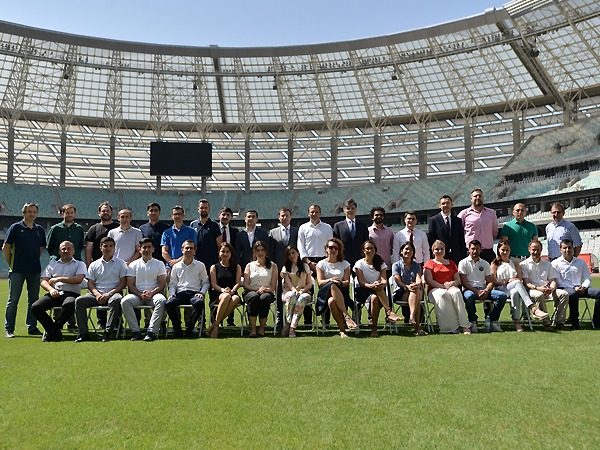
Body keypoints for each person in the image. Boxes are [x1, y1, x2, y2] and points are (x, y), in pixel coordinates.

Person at [3, 202, 46, 338]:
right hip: (17, 270)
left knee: (33, 301)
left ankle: (32, 327)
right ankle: (9, 329)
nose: (32, 214)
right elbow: (6, 247)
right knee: (13, 300)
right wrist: (11, 263)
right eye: (29, 212)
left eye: (34, 212)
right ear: (24, 213)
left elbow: (40, 249)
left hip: (34, 270)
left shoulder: (39, 229)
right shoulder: (15, 227)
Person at [74, 236, 128, 342]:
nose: (108, 248)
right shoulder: (94, 264)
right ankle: (83, 333)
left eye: (111, 246)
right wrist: (97, 294)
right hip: (96, 294)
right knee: (79, 301)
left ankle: (108, 332)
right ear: (100, 248)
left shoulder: (121, 263)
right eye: (105, 246)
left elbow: (123, 283)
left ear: (114, 248)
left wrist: (109, 294)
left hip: (113, 293)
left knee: (117, 300)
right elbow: (90, 283)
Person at [31, 241, 87, 341]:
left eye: (69, 249)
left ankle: (53, 332)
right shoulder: (52, 265)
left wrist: (59, 279)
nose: (66, 251)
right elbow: (44, 281)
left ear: (73, 251)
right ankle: (55, 332)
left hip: (71, 294)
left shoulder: (79, 264)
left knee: (69, 304)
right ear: (59, 252)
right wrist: (51, 289)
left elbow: (78, 279)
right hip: (55, 293)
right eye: (63, 249)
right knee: (36, 307)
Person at [491, 241, 549, 332]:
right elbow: (493, 281)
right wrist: (504, 281)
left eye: (507, 250)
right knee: (517, 284)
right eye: (503, 250)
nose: (505, 252)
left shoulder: (515, 263)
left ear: (510, 250)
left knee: (515, 291)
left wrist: (512, 280)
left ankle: (517, 322)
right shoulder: (495, 263)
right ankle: (532, 308)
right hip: (501, 289)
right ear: (498, 250)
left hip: (513, 288)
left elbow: (520, 278)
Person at [46, 203, 85, 329]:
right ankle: (57, 322)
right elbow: (49, 246)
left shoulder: (79, 229)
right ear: (62, 214)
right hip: (58, 263)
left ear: (74, 214)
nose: (69, 214)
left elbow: (79, 246)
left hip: (74, 264)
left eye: (71, 212)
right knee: (58, 291)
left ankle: (71, 322)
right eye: (67, 212)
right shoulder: (55, 228)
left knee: (72, 293)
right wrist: (59, 258)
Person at [121, 238, 167, 341]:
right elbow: (130, 284)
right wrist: (140, 294)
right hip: (138, 295)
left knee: (161, 300)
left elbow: (162, 284)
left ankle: (151, 332)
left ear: (153, 249)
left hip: (154, 294)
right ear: (140, 249)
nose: (147, 249)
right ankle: (136, 331)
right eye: (144, 247)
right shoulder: (133, 265)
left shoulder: (159, 264)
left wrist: (151, 293)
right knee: (125, 301)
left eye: (149, 247)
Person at [458, 240, 507, 333]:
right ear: (468, 249)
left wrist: (487, 290)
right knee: (469, 297)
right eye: (472, 249)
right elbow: (464, 283)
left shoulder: (485, 263)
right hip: (469, 289)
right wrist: (477, 292)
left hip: (483, 289)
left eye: (477, 249)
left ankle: (492, 320)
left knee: (502, 296)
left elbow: (490, 281)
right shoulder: (463, 263)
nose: (475, 251)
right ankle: (473, 321)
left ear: (481, 250)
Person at [354, 240, 401, 337]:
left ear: (375, 250)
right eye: (367, 248)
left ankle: (374, 328)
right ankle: (389, 312)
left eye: (372, 248)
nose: (370, 250)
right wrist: (372, 285)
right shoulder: (359, 264)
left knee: (375, 295)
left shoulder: (380, 263)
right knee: (375, 293)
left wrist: (380, 283)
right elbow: (361, 282)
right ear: (363, 251)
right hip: (364, 290)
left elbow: (384, 280)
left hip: (378, 290)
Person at [423, 240, 471, 334]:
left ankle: (464, 325)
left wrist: (452, 283)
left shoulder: (451, 263)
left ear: (445, 250)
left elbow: (458, 279)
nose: (439, 251)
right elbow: (429, 280)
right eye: (437, 249)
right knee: (443, 294)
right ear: (433, 251)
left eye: (442, 249)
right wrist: (442, 286)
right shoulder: (429, 264)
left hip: (450, 286)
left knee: (456, 293)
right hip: (435, 289)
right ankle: (451, 327)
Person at [165, 240, 210, 339]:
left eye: (191, 248)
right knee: (169, 304)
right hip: (180, 294)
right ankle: (177, 329)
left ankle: (190, 329)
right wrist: (172, 294)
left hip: (194, 293)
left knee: (199, 303)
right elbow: (172, 284)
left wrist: (202, 293)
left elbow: (206, 282)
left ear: (195, 251)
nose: (189, 250)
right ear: (182, 250)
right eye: (187, 248)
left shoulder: (200, 265)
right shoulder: (176, 266)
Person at [552, 239, 600, 330]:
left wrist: (584, 286)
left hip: (581, 288)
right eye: (564, 248)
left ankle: (597, 321)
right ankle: (575, 322)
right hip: (564, 288)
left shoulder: (580, 262)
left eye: (569, 247)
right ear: (560, 250)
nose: (567, 250)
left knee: (599, 292)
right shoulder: (555, 263)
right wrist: (574, 287)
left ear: (573, 249)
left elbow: (587, 278)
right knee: (573, 294)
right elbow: (558, 281)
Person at [521, 240, 569, 331]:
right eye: (533, 250)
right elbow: (527, 283)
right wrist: (539, 288)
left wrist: (551, 288)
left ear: (541, 250)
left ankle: (560, 322)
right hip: (533, 290)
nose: (535, 252)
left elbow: (553, 280)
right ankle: (546, 323)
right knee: (539, 295)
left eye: (538, 250)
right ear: (529, 250)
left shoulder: (547, 264)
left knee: (564, 294)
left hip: (547, 289)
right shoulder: (524, 264)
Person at [85, 201, 118, 330]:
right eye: (103, 211)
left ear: (111, 212)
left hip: (114, 265)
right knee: (98, 290)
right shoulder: (94, 229)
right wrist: (89, 266)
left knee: (114, 293)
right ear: (99, 213)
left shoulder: (116, 228)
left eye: (107, 210)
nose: (105, 213)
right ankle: (101, 322)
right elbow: (88, 249)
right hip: (98, 265)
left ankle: (115, 322)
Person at [298, 204, 333, 326]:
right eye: (312, 212)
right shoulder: (303, 228)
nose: (314, 214)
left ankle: (326, 321)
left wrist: (325, 262)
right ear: (308, 213)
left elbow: (331, 245)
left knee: (326, 291)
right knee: (308, 292)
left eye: (316, 212)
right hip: (308, 262)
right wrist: (308, 262)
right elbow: (300, 246)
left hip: (324, 261)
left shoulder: (327, 228)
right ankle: (308, 321)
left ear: (320, 213)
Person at [315, 238, 357, 338]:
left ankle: (342, 330)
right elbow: (320, 282)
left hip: (342, 292)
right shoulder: (321, 264)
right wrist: (330, 280)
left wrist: (340, 282)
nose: (333, 250)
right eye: (331, 247)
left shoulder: (345, 264)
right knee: (332, 286)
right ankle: (346, 315)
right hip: (325, 293)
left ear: (339, 250)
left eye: (336, 248)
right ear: (326, 249)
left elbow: (347, 282)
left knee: (331, 301)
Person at [269, 207, 299, 328]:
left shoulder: (297, 231)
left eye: (286, 215)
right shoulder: (273, 232)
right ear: (279, 217)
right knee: (280, 294)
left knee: (297, 292)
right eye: (282, 215)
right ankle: (279, 318)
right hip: (279, 268)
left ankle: (296, 319)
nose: (284, 218)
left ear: (290, 217)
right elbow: (271, 252)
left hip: (294, 268)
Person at [242, 241, 278, 338]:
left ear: (266, 251)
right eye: (258, 250)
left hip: (267, 292)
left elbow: (273, 286)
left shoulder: (273, 266)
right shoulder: (249, 265)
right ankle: (253, 328)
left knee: (264, 298)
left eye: (262, 250)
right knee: (254, 297)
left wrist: (265, 290)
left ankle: (262, 327)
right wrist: (257, 289)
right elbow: (245, 284)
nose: (260, 253)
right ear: (254, 252)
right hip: (251, 291)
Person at [391, 242, 427, 336]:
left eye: (411, 250)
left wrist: (417, 284)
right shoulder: (396, 265)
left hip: (414, 291)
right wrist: (406, 287)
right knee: (417, 295)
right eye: (406, 249)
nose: (408, 251)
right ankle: (417, 327)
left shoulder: (417, 265)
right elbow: (398, 281)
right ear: (401, 251)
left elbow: (419, 278)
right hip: (401, 291)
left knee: (416, 293)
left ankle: (412, 317)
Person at [208, 242, 242, 338]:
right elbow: (213, 284)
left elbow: (238, 283)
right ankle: (216, 326)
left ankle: (215, 325)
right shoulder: (214, 267)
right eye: (223, 251)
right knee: (226, 296)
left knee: (236, 298)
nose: (225, 254)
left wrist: (232, 290)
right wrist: (223, 290)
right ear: (219, 253)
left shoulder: (237, 267)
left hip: (232, 292)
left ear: (231, 253)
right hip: (218, 293)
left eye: (228, 251)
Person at [457, 189, 498, 263]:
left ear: (483, 197)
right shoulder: (463, 214)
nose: (477, 198)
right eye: (475, 196)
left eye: (480, 196)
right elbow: (458, 232)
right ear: (471, 198)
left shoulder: (491, 213)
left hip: (487, 252)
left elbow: (494, 232)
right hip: (471, 252)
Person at [280, 245, 313, 338]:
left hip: (304, 292)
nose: (291, 255)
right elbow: (288, 282)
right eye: (289, 254)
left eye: (293, 252)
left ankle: (292, 327)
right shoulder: (285, 268)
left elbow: (309, 283)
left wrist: (302, 291)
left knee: (302, 299)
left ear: (298, 253)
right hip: (288, 292)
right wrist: (294, 290)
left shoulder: (305, 266)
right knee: (292, 296)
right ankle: (288, 322)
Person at [427, 195, 466, 264]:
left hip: (456, 257)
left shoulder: (458, 221)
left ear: (452, 205)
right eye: (443, 203)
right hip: (440, 256)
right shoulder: (433, 220)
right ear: (439, 205)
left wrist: (463, 255)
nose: (445, 205)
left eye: (448, 203)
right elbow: (431, 240)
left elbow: (461, 240)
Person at [333, 198, 369, 268]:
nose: (350, 210)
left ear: (356, 210)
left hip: (360, 259)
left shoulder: (362, 225)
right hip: (344, 259)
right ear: (344, 210)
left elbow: (366, 242)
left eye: (352, 208)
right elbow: (336, 243)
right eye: (348, 208)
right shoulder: (338, 226)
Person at [218, 206, 239, 327]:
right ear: (219, 215)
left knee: (231, 290)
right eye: (223, 214)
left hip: (231, 264)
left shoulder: (235, 231)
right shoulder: (214, 229)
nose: (225, 217)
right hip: (217, 264)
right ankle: (218, 320)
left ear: (231, 217)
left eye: (228, 215)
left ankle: (230, 320)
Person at [161, 206, 197, 270]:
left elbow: (192, 249)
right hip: (170, 267)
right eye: (175, 214)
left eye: (179, 214)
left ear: (183, 215)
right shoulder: (166, 233)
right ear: (172, 216)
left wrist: (177, 261)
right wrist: (171, 262)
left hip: (187, 265)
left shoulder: (191, 231)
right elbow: (164, 251)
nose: (177, 216)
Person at [190, 199, 222, 271]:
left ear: (209, 209)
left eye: (205, 208)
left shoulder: (214, 225)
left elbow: (219, 244)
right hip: (196, 261)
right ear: (198, 209)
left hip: (211, 262)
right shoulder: (193, 224)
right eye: (201, 208)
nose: (203, 210)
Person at [368, 207, 395, 277]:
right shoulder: (367, 231)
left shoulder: (390, 231)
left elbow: (393, 248)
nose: (379, 216)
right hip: (373, 265)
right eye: (376, 215)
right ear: (372, 218)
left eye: (381, 215)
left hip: (387, 265)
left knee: (388, 287)